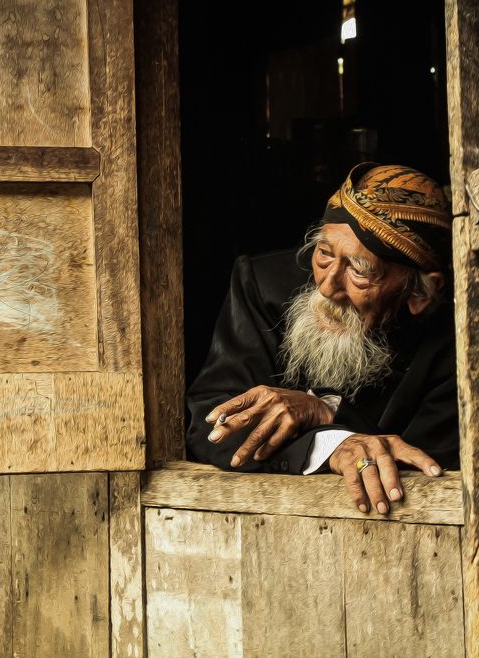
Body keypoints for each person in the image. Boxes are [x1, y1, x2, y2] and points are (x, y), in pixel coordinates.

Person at [185, 163, 458, 515]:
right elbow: (212, 419)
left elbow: (422, 465)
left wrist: (323, 412)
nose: (327, 287)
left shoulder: (455, 340)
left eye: (360, 270)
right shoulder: (263, 285)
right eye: (324, 254)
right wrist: (332, 445)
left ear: (422, 292)